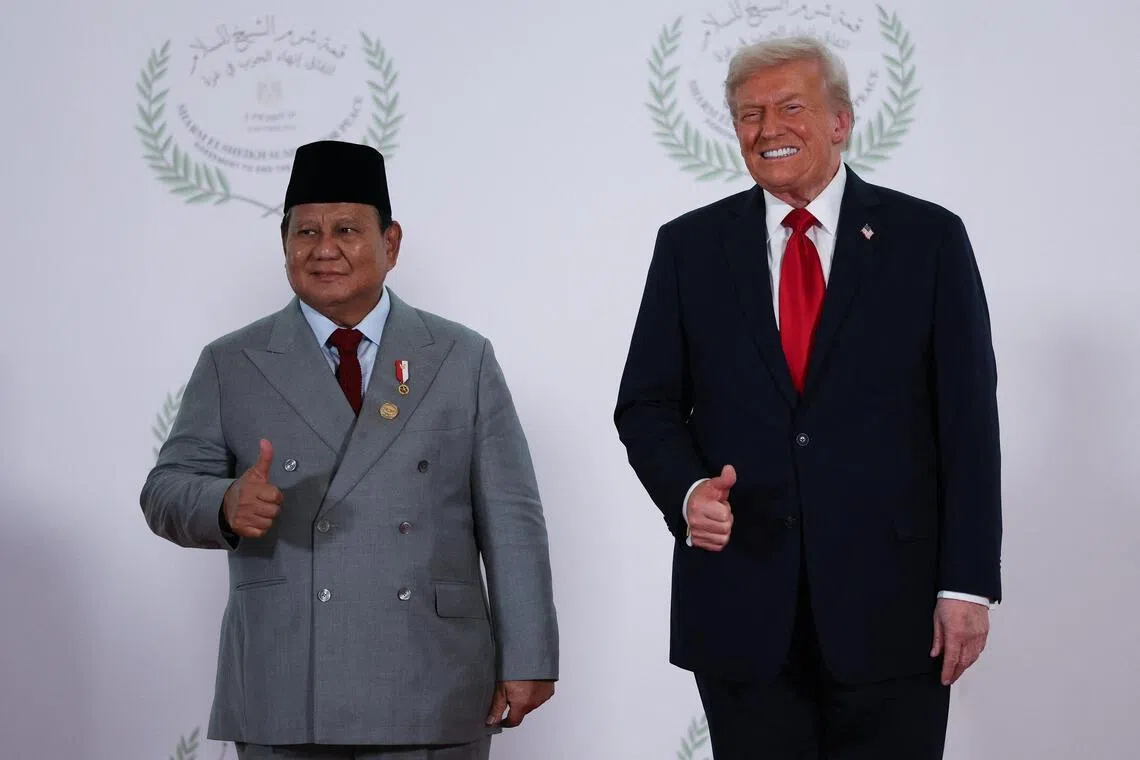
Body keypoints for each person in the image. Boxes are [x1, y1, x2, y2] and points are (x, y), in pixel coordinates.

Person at [614, 37, 1001, 759]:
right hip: (741, 605)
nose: (767, 129)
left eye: (791, 107)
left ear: (841, 122)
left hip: (895, 609)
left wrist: (969, 586)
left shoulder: (928, 240)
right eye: (749, 114)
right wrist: (689, 487)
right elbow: (647, 404)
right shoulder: (689, 248)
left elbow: (969, 424)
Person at [141, 140, 558, 760]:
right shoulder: (232, 361)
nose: (324, 248)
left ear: (390, 244)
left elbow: (512, 518)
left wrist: (528, 653)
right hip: (287, 676)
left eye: (345, 229)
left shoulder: (460, 357)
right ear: (284, 246)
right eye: (305, 231)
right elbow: (166, 488)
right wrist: (226, 502)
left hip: (431, 675)